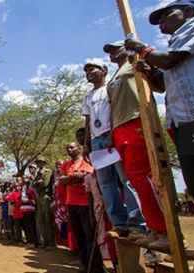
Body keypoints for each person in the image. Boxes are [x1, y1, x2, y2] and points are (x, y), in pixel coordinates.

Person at [124, 0, 194, 202]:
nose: (161, 22)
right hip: (182, 123)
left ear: (188, 11)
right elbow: (161, 86)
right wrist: (150, 73)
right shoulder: (176, 43)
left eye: (167, 14)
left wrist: (141, 47)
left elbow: (168, 60)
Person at [104, 40, 168, 249]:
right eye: (110, 51)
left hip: (137, 121)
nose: (112, 53)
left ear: (127, 47)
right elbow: (112, 107)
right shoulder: (113, 77)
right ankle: (155, 229)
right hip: (119, 128)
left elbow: (156, 84)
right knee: (135, 178)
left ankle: (165, 228)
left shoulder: (135, 62)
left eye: (115, 48)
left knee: (147, 176)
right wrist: (112, 131)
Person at [82, 61, 146, 239]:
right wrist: (86, 143)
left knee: (125, 179)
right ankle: (119, 223)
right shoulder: (87, 96)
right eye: (86, 71)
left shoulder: (111, 88)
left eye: (92, 69)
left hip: (113, 136)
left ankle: (137, 223)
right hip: (96, 142)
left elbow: (115, 110)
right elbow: (87, 121)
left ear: (103, 71)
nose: (89, 73)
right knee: (106, 184)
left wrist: (112, 133)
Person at [59, 142, 104, 273]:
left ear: (78, 148)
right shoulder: (66, 164)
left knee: (90, 235)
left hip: (86, 203)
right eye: (67, 148)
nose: (69, 149)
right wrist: (74, 176)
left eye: (72, 147)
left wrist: (77, 177)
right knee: (79, 237)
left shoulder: (86, 161)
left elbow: (90, 176)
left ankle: (96, 268)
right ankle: (86, 266)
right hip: (71, 203)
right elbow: (61, 181)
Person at [30, 157, 56, 250]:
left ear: (43, 163)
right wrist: (37, 182)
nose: (38, 164)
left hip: (46, 196)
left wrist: (37, 183)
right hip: (39, 197)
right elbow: (34, 184)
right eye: (37, 162)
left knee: (48, 220)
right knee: (40, 220)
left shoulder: (47, 171)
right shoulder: (38, 173)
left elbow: (45, 183)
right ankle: (44, 242)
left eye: (40, 162)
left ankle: (51, 243)